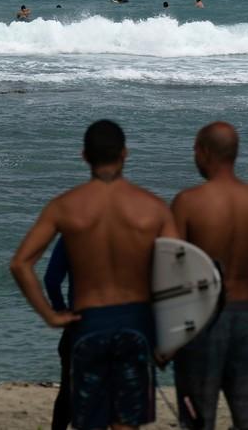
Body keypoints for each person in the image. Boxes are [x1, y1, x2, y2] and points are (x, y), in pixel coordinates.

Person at [10, 119, 179, 430]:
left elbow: (21, 263)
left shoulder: (64, 207)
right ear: (125, 153)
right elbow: (176, 275)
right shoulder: (154, 208)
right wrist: (168, 339)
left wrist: (51, 315)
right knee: (126, 423)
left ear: (84, 155)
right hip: (136, 325)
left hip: (89, 324)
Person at [171, 121, 248, 430]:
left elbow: (174, 273)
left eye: (194, 150)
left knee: (197, 417)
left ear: (205, 152)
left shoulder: (189, 202)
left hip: (202, 319)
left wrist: (170, 336)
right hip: (246, 314)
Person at [43, 238, 74, 430]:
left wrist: (61, 310)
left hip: (81, 321)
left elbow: (51, 279)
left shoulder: (72, 234)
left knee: (68, 391)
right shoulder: (132, 228)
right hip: (123, 323)